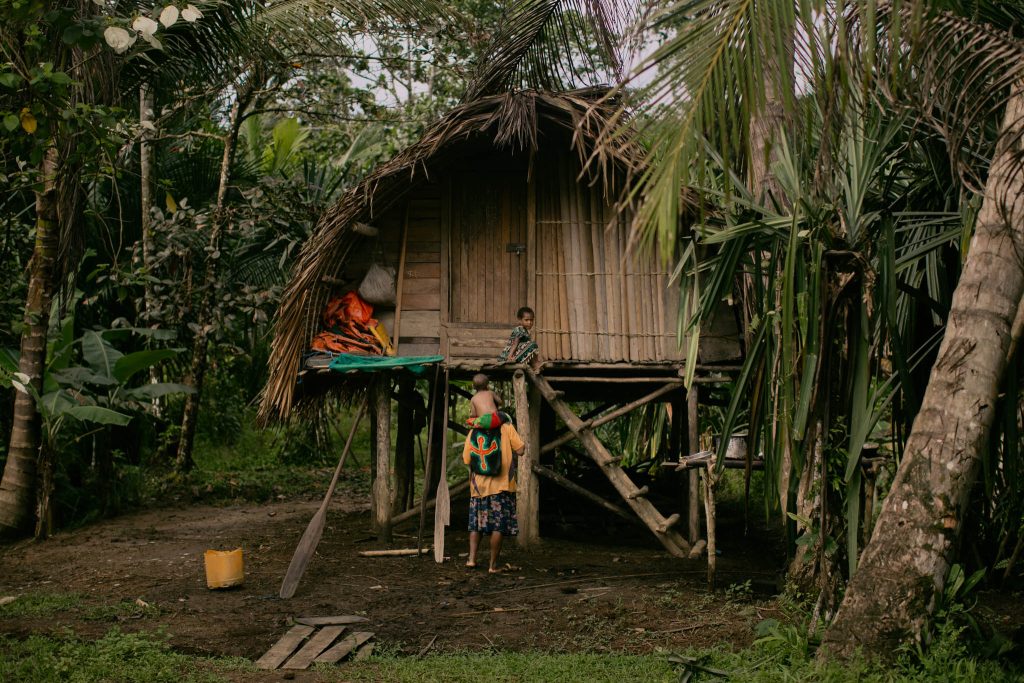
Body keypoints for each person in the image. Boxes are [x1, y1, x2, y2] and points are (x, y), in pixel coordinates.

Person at [463, 396, 524, 573]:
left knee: (476, 525)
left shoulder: (473, 431)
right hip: (501, 487)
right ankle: (492, 566)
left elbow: (467, 458)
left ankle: (471, 560)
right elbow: (520, 450)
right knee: (498, 526)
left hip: (478, 488)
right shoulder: (506, 427)